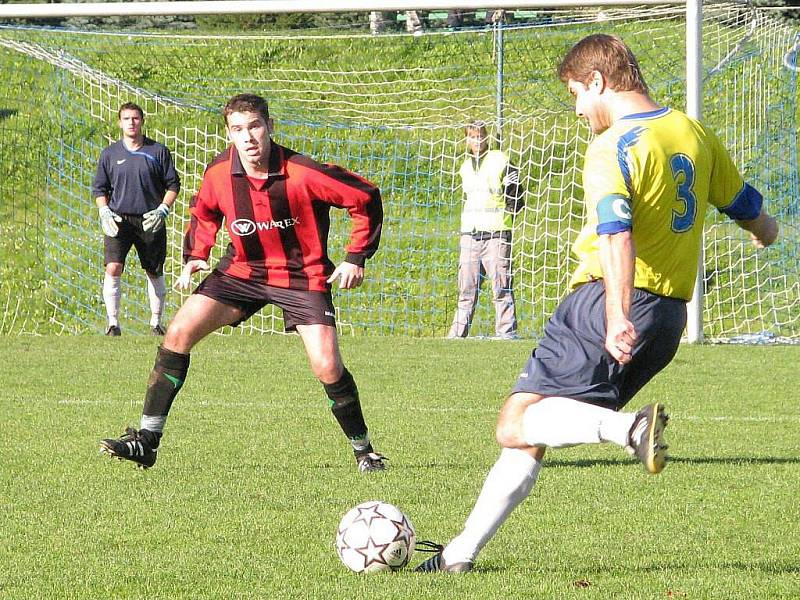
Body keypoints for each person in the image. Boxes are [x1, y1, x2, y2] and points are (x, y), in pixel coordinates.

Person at [416, 34, 778, 572]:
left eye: (576, 96)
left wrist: (614, 314)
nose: (580, 110)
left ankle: (630, 430)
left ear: (597, 81)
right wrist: (766, 232)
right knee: (535, 431)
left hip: (605, 301)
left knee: (515, 422)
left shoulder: (613, 145)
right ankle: (457, 557)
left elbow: (615, 233)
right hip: (668, 319)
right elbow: (747, 206)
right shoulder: (692, 132)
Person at [99, 93, 387, 474]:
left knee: (327, 366)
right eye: (238, 129)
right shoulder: (219, 172)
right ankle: (147, 441)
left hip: (302, 277)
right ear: (229, 134)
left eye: (254, 127)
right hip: (243, 271)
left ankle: (364, 450)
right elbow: (203, 213)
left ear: (269, 127)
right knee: (179, 332)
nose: (248, 137)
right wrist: (196, 256)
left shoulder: (302, 171)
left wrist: (355, 257)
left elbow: (364, 196)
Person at [92, 102, 181, 336]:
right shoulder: (110, 154)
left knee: (154, 270)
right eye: (127, 119)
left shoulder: (157, 151)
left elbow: (173, 185)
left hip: (150, 220)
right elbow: (99, 188)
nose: (131, 123)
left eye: (135, 118)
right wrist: (104, 211)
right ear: (119, 123)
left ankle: (156, 323)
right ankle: (113, 324)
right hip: (119, 221)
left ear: (142, 121)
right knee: (113, 267)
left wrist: (163, 209)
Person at [448, 120, 524, 339]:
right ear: (466, 139)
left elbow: (517, 194)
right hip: (470, 234)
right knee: (466, 288)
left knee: (501, 286)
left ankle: (506, 333)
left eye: (480, 135)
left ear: (487, 136)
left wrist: (511, 207)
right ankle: (457, 335)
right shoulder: (465, 166)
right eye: (472, 136)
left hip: (496, 233)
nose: (477, 140)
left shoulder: (500, 160)